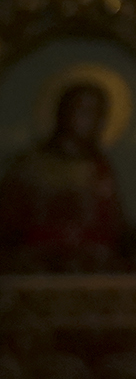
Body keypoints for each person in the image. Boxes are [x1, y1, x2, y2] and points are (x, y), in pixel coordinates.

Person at [0, 81, 127, 271]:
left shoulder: (99, 168)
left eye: (98, 113)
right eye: (83, 111)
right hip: (34, 264)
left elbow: (111, 226)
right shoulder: (29, 165)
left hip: (88, 265)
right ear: (64, 112)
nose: (91, 120)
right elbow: (10, 223)